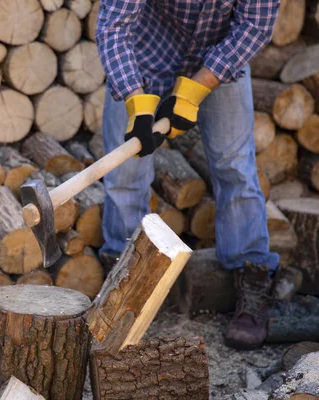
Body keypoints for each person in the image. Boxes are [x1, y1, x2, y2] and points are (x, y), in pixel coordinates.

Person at [95, 0, 281, 350]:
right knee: (125, 175)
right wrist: (135, 98)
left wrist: (199, 85)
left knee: (235, 168)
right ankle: (122, 278)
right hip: (142, 56)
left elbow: (255, 26)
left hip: (221, 61)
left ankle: (252, 273)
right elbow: (114, 25)